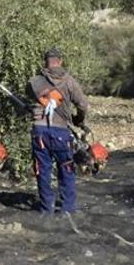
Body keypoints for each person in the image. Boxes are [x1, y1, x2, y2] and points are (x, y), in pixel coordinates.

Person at [26, 47, 89, 215]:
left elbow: (28, 99)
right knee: (66, 169)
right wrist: (79, 120)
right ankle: (67, 210)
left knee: (42, 170)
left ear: (45, 62)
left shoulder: (35, 82)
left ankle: (47, 208)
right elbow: (83, 105)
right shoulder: (70, 82)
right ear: (60, 61)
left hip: (39, 131)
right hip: (61, 131)